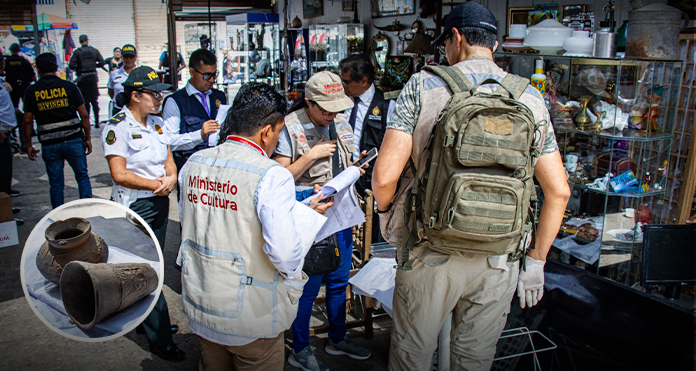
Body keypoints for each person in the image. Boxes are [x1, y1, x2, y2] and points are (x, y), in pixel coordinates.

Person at [372, 3, 570, 370]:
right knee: (474, 360)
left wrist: (387, 215)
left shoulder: (423, 85)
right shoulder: (529, 97)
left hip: (430, 251)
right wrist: (536, 262)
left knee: (412, 356)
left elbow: (384, 177)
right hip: (499, 256)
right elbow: (558, 191)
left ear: (456, 38)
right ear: (493, 45)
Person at [178, 81, 331, 370]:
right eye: (279, 132)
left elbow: (211, 221)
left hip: (202, 307)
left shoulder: (193, 163)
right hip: (251, 317)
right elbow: (285, 255)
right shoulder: (271, 174)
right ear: (266, 132)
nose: (277, 140)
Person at [273, 71, 371, 371]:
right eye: (325, 109)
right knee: (309, 286)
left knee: (339, 280)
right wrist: (312, 155)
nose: (332, 115)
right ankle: (300, 349)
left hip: (341, 212)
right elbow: (277, 179)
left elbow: (344, 159)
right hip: (308, 217)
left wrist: (356, 167)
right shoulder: (289, 127)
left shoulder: (341, 121)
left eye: (336, 108)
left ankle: (336, 338)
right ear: (308, 102)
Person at [101, 65, 184, 362]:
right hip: (136, 205)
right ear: (135, 96)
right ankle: (161, 337)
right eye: (153, 93)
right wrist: (156, 184)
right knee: (147, 270)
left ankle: (143, 318)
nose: (159, 98)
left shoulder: (157, 124)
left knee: (152, 265)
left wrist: (170, 178)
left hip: (159, 201)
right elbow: (119, 174)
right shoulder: (117, 127)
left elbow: (168, 158)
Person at [23, 53, 93, 209]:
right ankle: (88, 211)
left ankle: (58, 217)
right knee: (82, 177)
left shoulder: (32, 91)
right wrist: (87, 138)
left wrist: (28, 145)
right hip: (73, 140)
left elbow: (27, 120)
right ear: (56, 67)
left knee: (55, 183)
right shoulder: (69, 87)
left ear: (38, 69)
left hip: (49, 144)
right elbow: (84, 114)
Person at [338, 54, 395, 196]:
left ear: (363, 81)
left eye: (346, 82)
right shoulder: (340, 103)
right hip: (343, 178)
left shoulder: (386, 106)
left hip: (371, 182)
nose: (343, 87)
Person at [162, 48, 225, 175]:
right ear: (192, 72)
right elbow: (169, 142)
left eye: (214, 74)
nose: (212, 80)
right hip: (191, 170)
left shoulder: (219, 96)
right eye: (207, 75)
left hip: (218, 169)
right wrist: (199, 135)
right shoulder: (175, 101)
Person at [69, 34, 105, 128]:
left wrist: (79, 68)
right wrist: (94, 66)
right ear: (87, 41)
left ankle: (87, 121)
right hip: (93, 77)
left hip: (82, 78)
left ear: (80, 41)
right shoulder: (94, 51)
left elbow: (71, 65)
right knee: (94, 100)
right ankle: (97, 122)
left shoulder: (77, 52)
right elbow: (102, 62)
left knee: (86, 101)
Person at [107, 44, 137, 116]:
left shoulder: (141, 73)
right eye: (126, 56)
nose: (128, 59)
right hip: (118, 109)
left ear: (136, 57)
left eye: (131, 57)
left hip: (136, 110)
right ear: (122, 57)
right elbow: (111, 91)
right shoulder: (114, 73)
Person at [4, 43, 36, 109]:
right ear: (19, 50)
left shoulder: (6, 62)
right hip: (24, 86)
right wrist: (37, 83)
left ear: (11, 50)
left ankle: (17, 118)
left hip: (12, 87)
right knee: (28, 106)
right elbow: (32, 75)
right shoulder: (24, 61)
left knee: (14, 106)